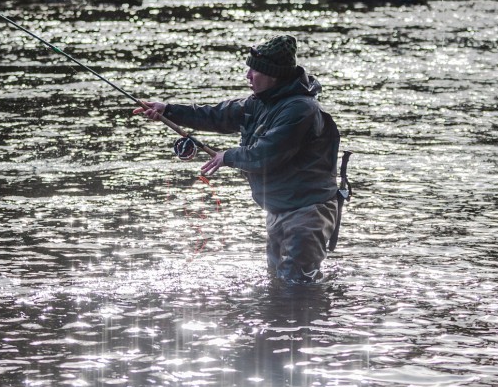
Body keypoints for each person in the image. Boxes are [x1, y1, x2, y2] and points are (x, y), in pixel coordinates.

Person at [134, 34, 342, 283]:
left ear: (273, 75)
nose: (248, 76)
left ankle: (322, 316)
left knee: (297, 285)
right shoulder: (260, 103)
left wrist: (227, 156)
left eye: (254, 71)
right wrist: (168, 110)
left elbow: (265, 154)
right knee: (278, 283)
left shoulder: (300, 110)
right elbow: (216, 116)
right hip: (279, 209)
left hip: (308, 212)